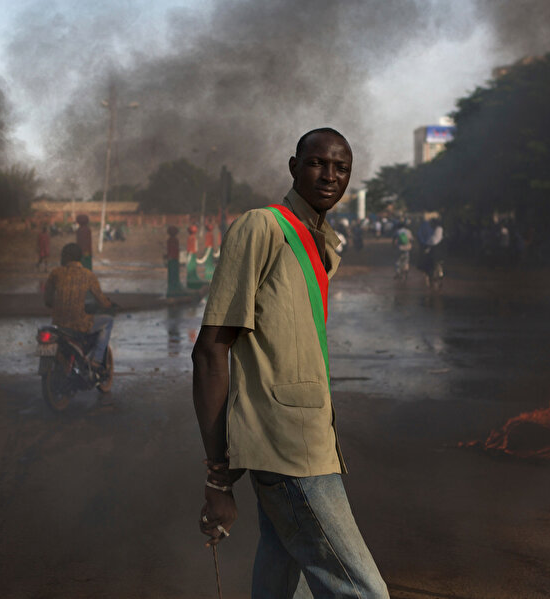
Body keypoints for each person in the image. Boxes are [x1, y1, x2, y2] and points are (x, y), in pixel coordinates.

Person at [191, 128, 388, 598]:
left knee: (282, 578)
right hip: (289, 447)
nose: (330, 175)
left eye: (342, 168)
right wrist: (218, 476)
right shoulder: (263, 227)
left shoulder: (321, 243)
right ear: (293, 166)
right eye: (318, 163)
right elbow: (210, 349)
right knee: (363, 591)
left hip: (308, 437)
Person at [44, 243, 115, 371]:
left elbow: (47, 300)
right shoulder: (88, 275)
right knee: (108, 321)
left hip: (59, 325)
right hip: (79, 325)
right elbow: (102, 301)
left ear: (65, 258)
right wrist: (109, 304)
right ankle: (96, 361)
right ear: (79, 258)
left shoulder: (55, 273)